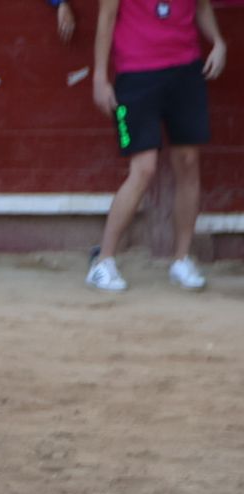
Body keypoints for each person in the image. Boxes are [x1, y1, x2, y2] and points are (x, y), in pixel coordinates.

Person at [86, 0, 227, 292]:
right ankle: (103, 261)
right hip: (136, 75)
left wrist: (218, 41)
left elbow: (201, 6)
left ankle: (182, 259)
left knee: (188, 163)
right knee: (143, 168)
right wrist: (100, 76)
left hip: (186, 71)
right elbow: (107, 15)